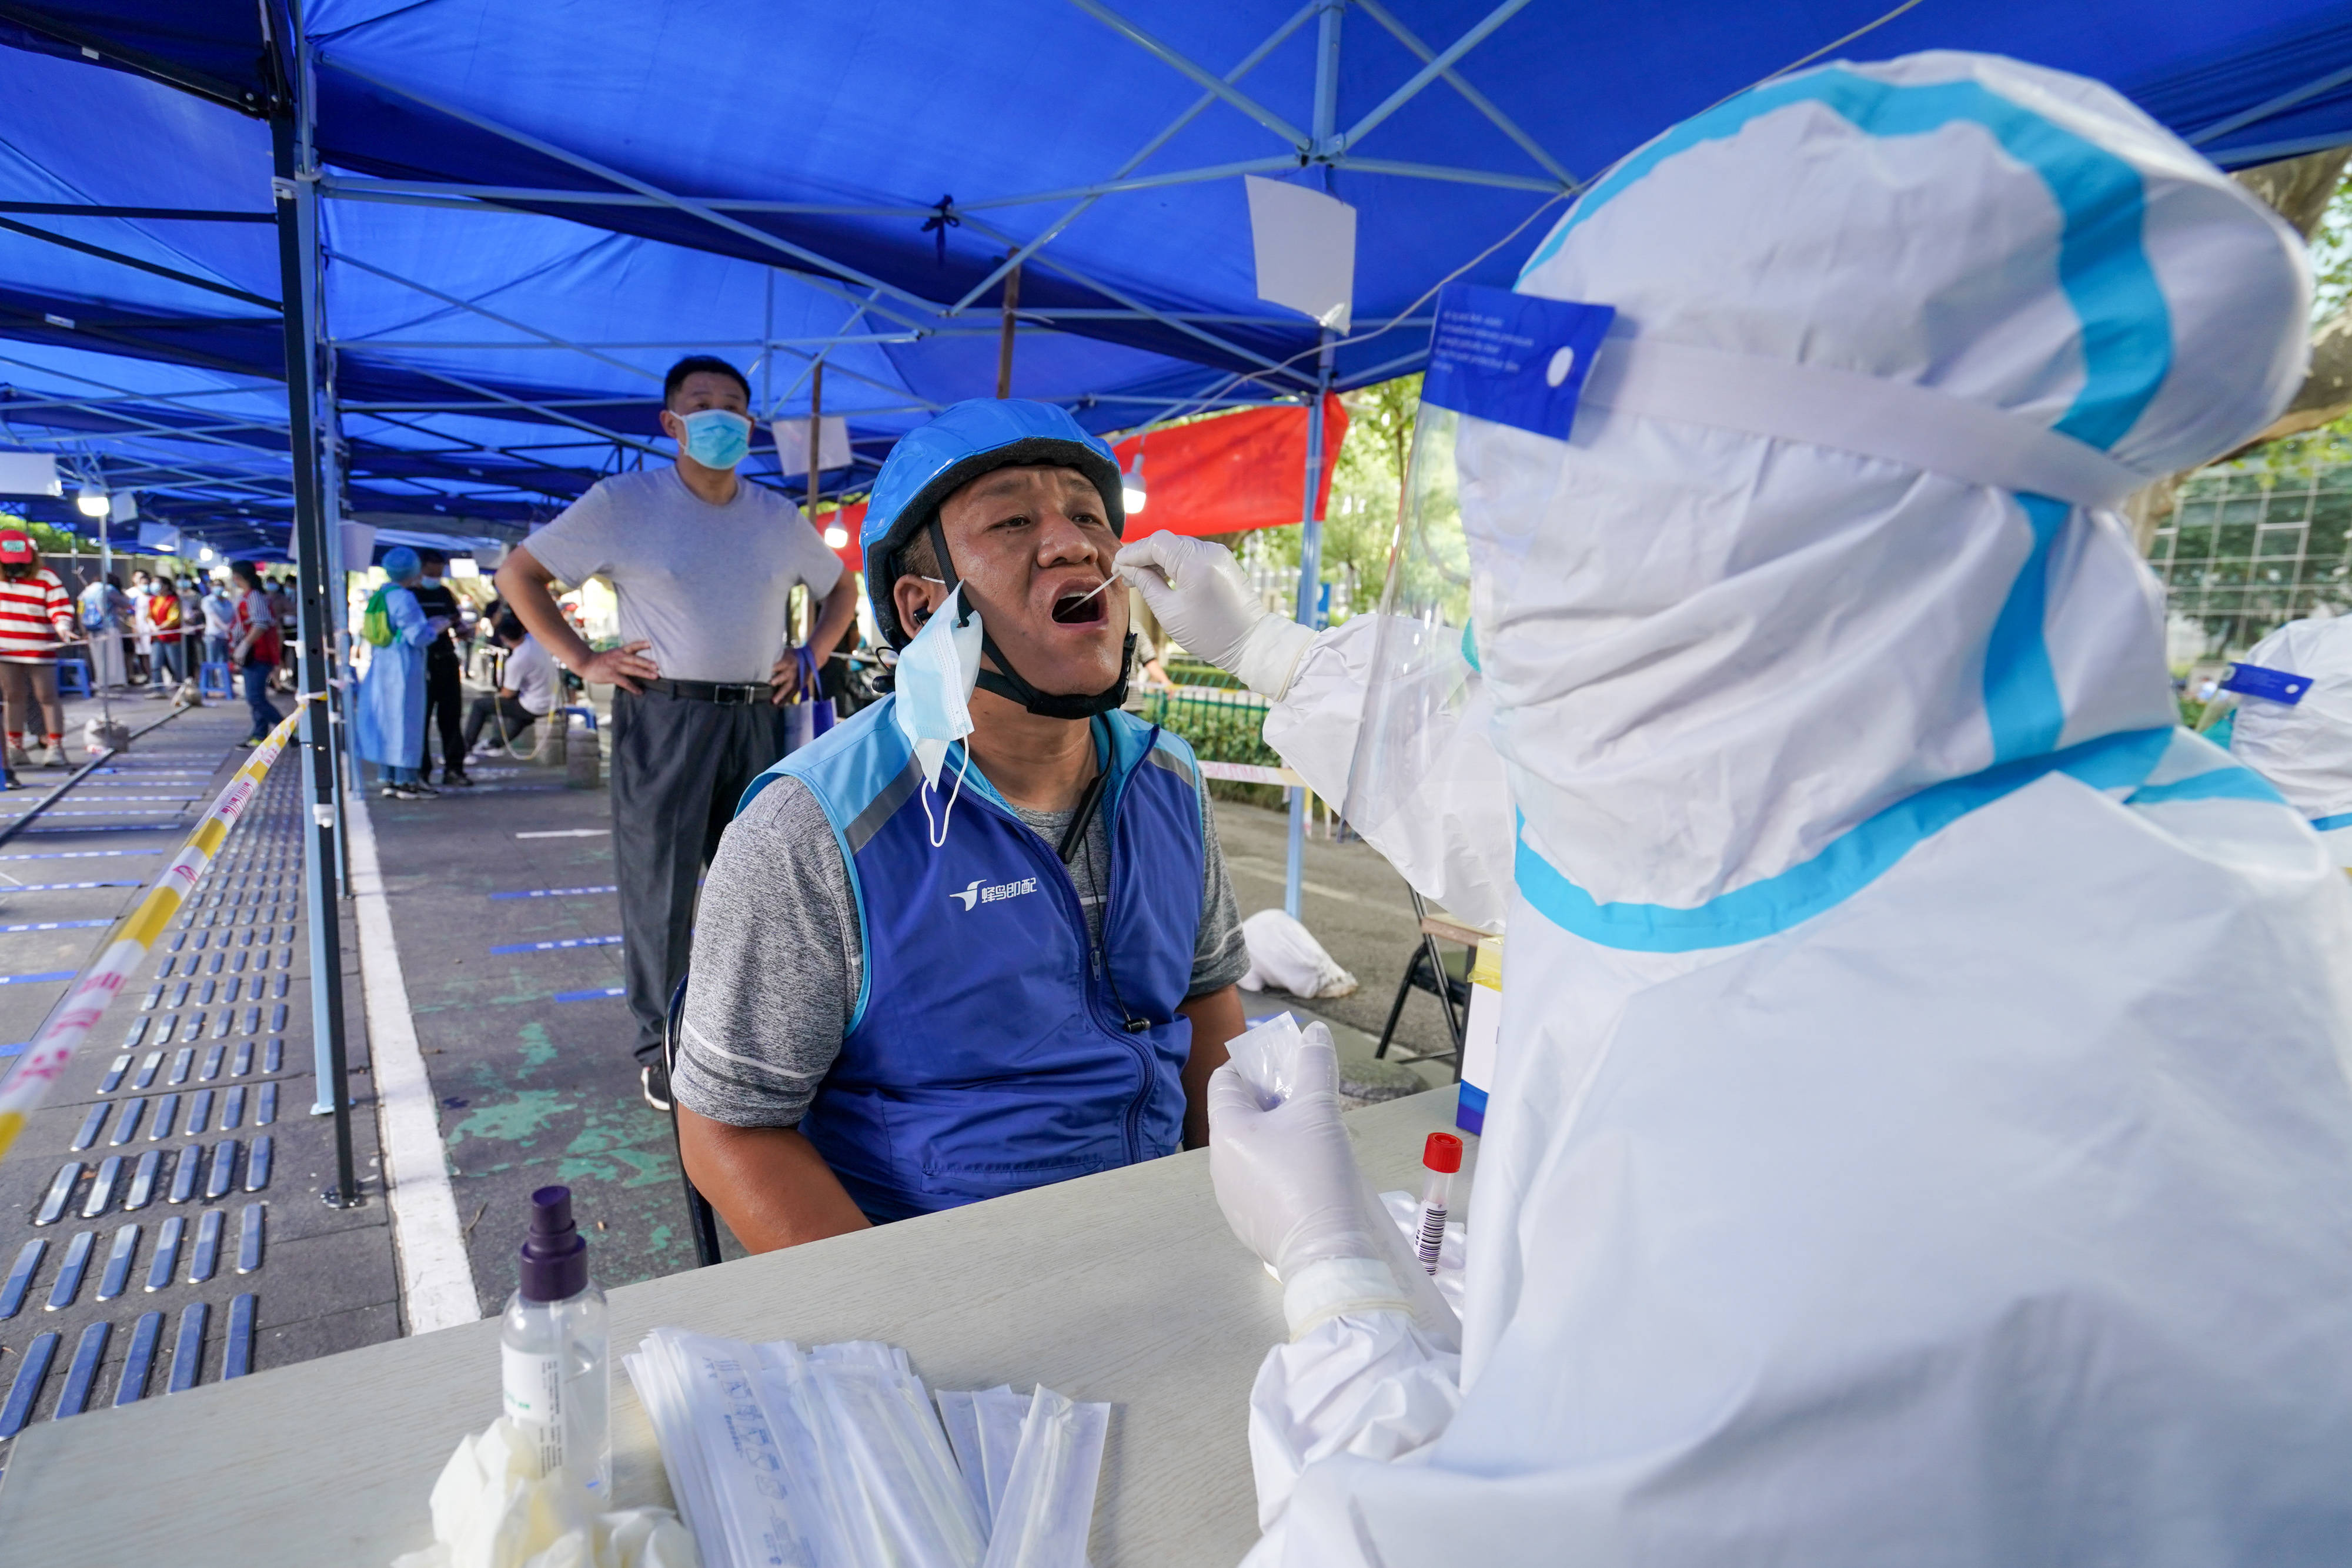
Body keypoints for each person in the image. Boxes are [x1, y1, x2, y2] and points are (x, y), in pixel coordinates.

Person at [1118, 54, 2352, 1564]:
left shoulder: (1950, 1143)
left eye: (1556, 528)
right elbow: (1556, 806)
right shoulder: (2037, 824)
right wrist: (1273, 654)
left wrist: (1339, 1288)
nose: (1504, 609)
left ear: (1793, 538)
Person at [673, 398, 1248, 1245]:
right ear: (920, 607)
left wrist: (1242, 1208)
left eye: (1091, 516)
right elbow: (730, 1128)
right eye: (1014, 520)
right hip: (943, 1270)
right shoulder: (815, 827)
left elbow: (1207, 1004)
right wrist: (904, 1319)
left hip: (1160, 1235)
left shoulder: (1169, 778)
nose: (1074, 543)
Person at [496, 355, 859, 1109]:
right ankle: (662, 1042)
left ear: (751, 426)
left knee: (759, 881)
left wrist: (812, 653)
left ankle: (754, 1028)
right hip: (664, 713)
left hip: (758, 714)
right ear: (672, 423)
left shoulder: (773, 515)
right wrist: (580, 659)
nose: (721, 416)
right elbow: (517, 576)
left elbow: (841, 586)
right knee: (660, 886)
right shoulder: (625, 502)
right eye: (703, 403)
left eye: (734, 405)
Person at [355, 548, 437, 799]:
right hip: (404, 669)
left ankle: (388, 777)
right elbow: (417, 636)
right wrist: (436, 628)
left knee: (386, 723)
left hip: (382, 667)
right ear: (413, 570)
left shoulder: (381, 595)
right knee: (406, 723)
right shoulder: (404, 598)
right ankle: (407, 781)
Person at [0, 532, 79, 767]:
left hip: (40, 648)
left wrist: (64, 628)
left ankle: (55, 746)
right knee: (12, 697)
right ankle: (15, 746)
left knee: (47, 696)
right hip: (5, 649)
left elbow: (60, 608)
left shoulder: (46, 578)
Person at [409, 546, 470, 787]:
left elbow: (456, 621)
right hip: (422, 663)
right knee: (420, 718)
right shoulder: (410, 596)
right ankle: (421, 771)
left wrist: (461, 629)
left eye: (439, 574)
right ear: (420, 569)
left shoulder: (444, 593)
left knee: (451, 717)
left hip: (446, 659)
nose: (435, 580)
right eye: (432, 574)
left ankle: (454, 768)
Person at [462, 613, 557, 755]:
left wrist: (498, 695)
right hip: (553, 699)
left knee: (481, 705)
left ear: (503, 638)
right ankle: (495, 744)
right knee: (518, 713)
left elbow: (508, 694)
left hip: (535, 705)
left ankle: (465, 748)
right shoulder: (536, 641)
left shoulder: (517, 660)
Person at [226, 559, 282, 747]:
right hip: (252, 653)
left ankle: (287, 730)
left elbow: (260, 623)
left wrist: (245, 645)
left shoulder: (254, 597)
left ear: (238, 576)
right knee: (256, 696)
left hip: (258, 653)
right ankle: (259, 734)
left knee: (255, 697)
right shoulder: (247, 596)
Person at [146, 573, 183, 696]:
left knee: (175, 664)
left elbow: (174, 618)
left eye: (158, 583)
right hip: (157, 638)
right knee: (155, 664)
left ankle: (181, 687)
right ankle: (159, 690)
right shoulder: (153, 601)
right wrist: (153, 626)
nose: (154, 586)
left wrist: (161, 627)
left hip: (171, 637)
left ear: (166, 586)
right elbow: (149, 616)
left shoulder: (173, 600)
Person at [199, 574, 232, 670]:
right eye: (216, 585)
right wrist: (225, 628)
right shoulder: (207, 601)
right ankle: (212, 683)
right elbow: (213, 617)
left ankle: (224, 683)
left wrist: (229, 629)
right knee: (212, 662)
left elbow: (233, 617)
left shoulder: (228, 603)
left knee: (225, 662)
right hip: (213, 635)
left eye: (220, 585)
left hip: (226, 636)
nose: (218, 588)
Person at [126, 567, 152, 685]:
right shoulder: (135, 598)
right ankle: (149, 676)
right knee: (143, 654)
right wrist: (134, 630)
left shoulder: (155, 597)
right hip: (141, 629)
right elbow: (132, 615)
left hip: (153, 629)